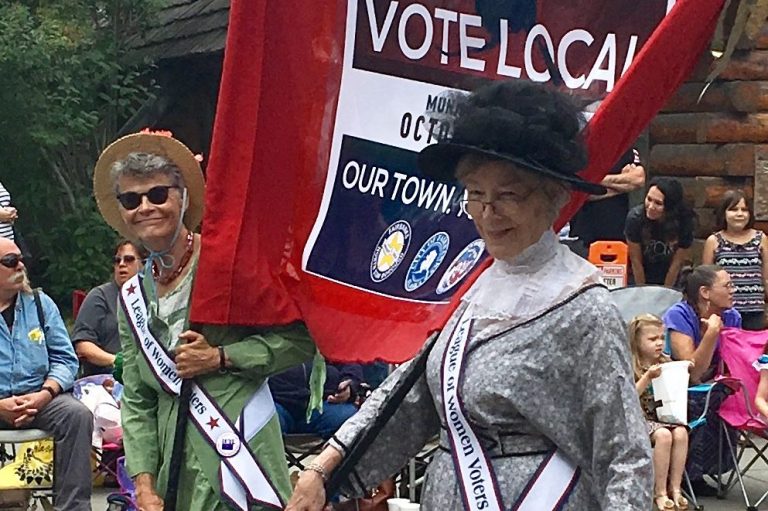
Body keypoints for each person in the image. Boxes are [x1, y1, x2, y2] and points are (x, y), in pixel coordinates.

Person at [286, 81, 652, 511]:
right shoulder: (470, 288)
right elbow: (410, 400)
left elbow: (623, 453)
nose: (486, 212)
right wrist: (325, 468)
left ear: (554, 196)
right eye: (475, 193)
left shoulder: (584, 305)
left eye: (508, 194)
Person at [93, 130, 316, 511]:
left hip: (241, 452)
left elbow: (301, 338)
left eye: (158, 194)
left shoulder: (228, 265)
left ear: (183, 197)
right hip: (174, 468)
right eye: (131, 199)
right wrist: (143, 482)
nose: (145, 207)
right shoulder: (132, 296)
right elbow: (138, 397)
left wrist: (221, 357)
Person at [0, 237, 92, 510]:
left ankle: (73, 508)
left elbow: (65, 359)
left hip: (40, 398)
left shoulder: (40, 303)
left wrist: (45, 393)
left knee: (77, 415)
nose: (20, 265)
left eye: (21, 259)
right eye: (10, 261)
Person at [663, 265, 740, 495]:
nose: (733, 291)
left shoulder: (732, 316)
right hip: (676, 387)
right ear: (705, 292)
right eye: (727, 286)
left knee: (725, 396)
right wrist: (711, 335)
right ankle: (689, 476)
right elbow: (692, 373)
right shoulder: (679, 314)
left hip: (713, 383)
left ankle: (714, 467)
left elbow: (733, 362)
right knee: (701, 400)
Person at [629, 314, 689, 511]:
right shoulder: (631, 365)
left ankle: (676, 488)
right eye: (652, 339)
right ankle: (660, 492)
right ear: (637, 341)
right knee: (663, 436)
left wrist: (683, 369)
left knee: (680, 432)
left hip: (665, 416)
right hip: (638, 419)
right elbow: (628, 396)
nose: (659, 343)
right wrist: (647, 377)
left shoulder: (666, 361)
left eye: (661, 338)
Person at [71, 240, 144, 376]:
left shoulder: (154, 296)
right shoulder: (100, 296)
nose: (122, 264)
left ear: (144, 263)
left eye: (128, 259)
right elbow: (82, 346)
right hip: (107, 379)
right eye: (117, 260)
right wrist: (116, 361)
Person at [702, 190, 768, 330]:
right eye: (733, 209)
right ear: (723, 213)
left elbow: (766, 277)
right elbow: (705, 279)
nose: (739, 214)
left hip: (754, 311)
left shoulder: (760, 239)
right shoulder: (714, 241)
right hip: (724, 311)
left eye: (744, 210)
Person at [569, 147, 645, 255]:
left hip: (616, 233)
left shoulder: (624, 148)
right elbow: (578, 191)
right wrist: (620, 186)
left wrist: (592, 182)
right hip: (582, 234)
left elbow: (638, 180)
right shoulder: (578, 150)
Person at [625, 177, 695, 287]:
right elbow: (636, 261)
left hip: (670, 274)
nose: (651, 206)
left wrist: (665, 293)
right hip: (641, 272)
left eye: (658, 203)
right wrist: (643, 292)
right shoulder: (635, 218)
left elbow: (676, 264)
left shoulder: (684, 221)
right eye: (649, 199)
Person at [270, 361, 362, 440]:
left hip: (321, 404)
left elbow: (348, 358)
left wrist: (349, 382)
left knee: (352, 417)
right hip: (278, 404)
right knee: (267, 423)